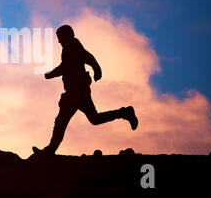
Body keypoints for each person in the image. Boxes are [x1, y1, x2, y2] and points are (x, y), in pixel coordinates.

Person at [32, 25, 138, 155]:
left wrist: (97, 69)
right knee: (76, 120)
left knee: (81, 120)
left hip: (78, 92)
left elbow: (87, 58)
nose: (59, 41)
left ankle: (125, 112)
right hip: (73, 93)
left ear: (68, 36)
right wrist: (52, 74)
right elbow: (66, 66)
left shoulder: (74, 47)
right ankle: (125, 113)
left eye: (60, 38)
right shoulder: (68, 49)